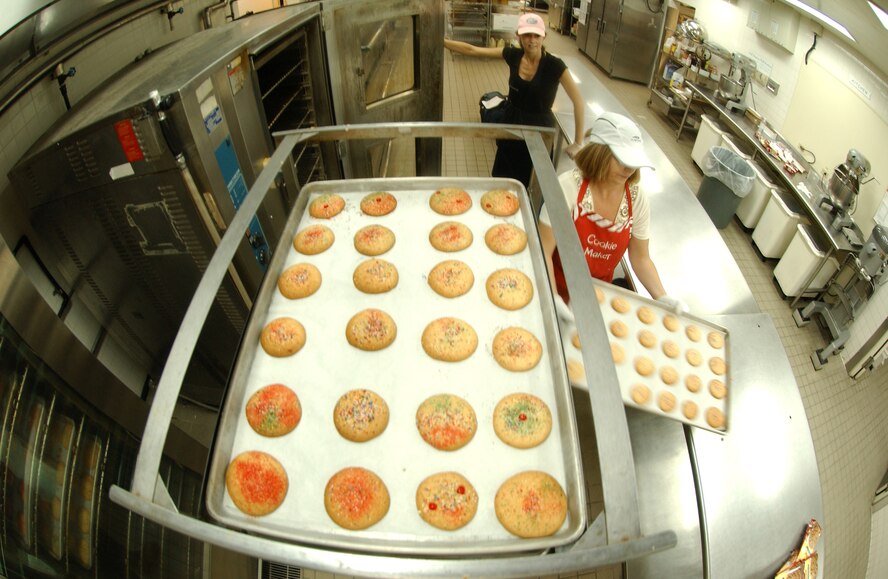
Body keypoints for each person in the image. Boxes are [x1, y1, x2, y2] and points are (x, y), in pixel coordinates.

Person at [538, 112, 683, 316]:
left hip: (598, 298)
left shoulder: (636, 199)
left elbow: (641, 258)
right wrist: (552, 296)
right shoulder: (567, 187)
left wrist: (662, 297)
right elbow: (543, 249)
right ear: (599, 152)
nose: (628, 168)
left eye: (633, 161)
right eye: (621, 159)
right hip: (555, 283)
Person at [444, 12, 585, 187]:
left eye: (536, 35)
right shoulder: (514, 55)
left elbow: (578, 101)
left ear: (544, 37)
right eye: (526, 35)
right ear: (518, 36)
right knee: (503, 176)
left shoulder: (555, 66)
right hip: (511, 124)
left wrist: (578, 143)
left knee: (533, 182)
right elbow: (473, 50)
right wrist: (442, 41)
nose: (531, 40)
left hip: (539, 132)